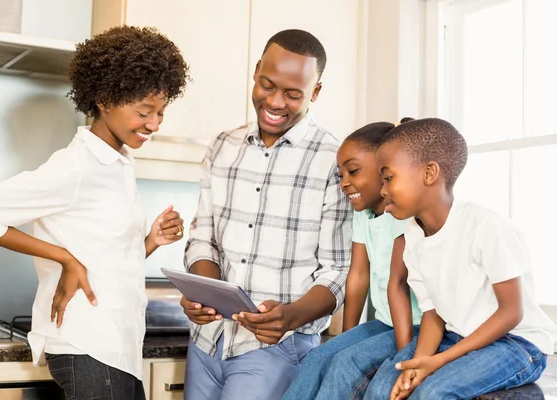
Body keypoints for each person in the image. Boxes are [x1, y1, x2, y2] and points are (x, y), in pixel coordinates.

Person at [0, 26, 190, 400]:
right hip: (90, 348)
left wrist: (150, 241)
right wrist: (64, 258)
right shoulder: (77, 166)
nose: (154, 124)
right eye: (144, 111)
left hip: (119, 349)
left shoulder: (118, 163)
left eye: (161, 112)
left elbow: (107, 262)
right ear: (103, 98)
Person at [181, 29, 352, 400]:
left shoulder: (334, 161)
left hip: (279, 348)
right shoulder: (223, 145)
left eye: (293, 94)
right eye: (267, 85)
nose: (275, 102)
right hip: (206, 342)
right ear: (256, 71)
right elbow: (203, 240)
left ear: (315, 93)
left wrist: (289, 317)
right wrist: (202, 296)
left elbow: (339, 271)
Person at [364, 118, 557, 399]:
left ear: (429, 173)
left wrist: (438, 362)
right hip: (457, 335)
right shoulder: (412, 237)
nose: (382, 190)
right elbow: (433, 313)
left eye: (389, 177)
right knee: (383, 388)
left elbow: (511, 312)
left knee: (432, 393)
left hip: (517, 342)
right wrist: (418, 365)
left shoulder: (486, 227)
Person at [283, 120, 422, 400]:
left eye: (353, 171)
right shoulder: (363, 214)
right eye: (341, 174)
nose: (345, 183)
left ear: (384, 165)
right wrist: (346, 338)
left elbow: (399, 285)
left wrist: (404, 353)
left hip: (417, 328)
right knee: (317, 358)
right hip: (384, 323)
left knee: (346, 366)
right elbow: (358, 276)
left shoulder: (404, 216)